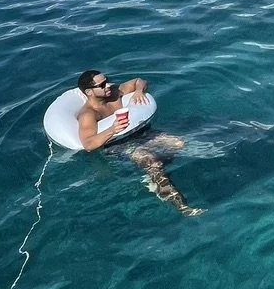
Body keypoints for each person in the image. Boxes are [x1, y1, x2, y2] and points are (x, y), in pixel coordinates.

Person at [76, 70, 204, 216]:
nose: (108, 85)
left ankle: (155, 176)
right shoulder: (88, 114)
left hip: (140, 133)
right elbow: (88, 144)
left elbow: (139, 81)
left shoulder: (114, 93)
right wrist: (112, 130)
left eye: (107, 80)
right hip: (118, 144)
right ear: (89, 92)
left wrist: (138, 91)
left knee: (179, 143)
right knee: (153, 163)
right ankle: (183, 208)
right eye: (102, 85)